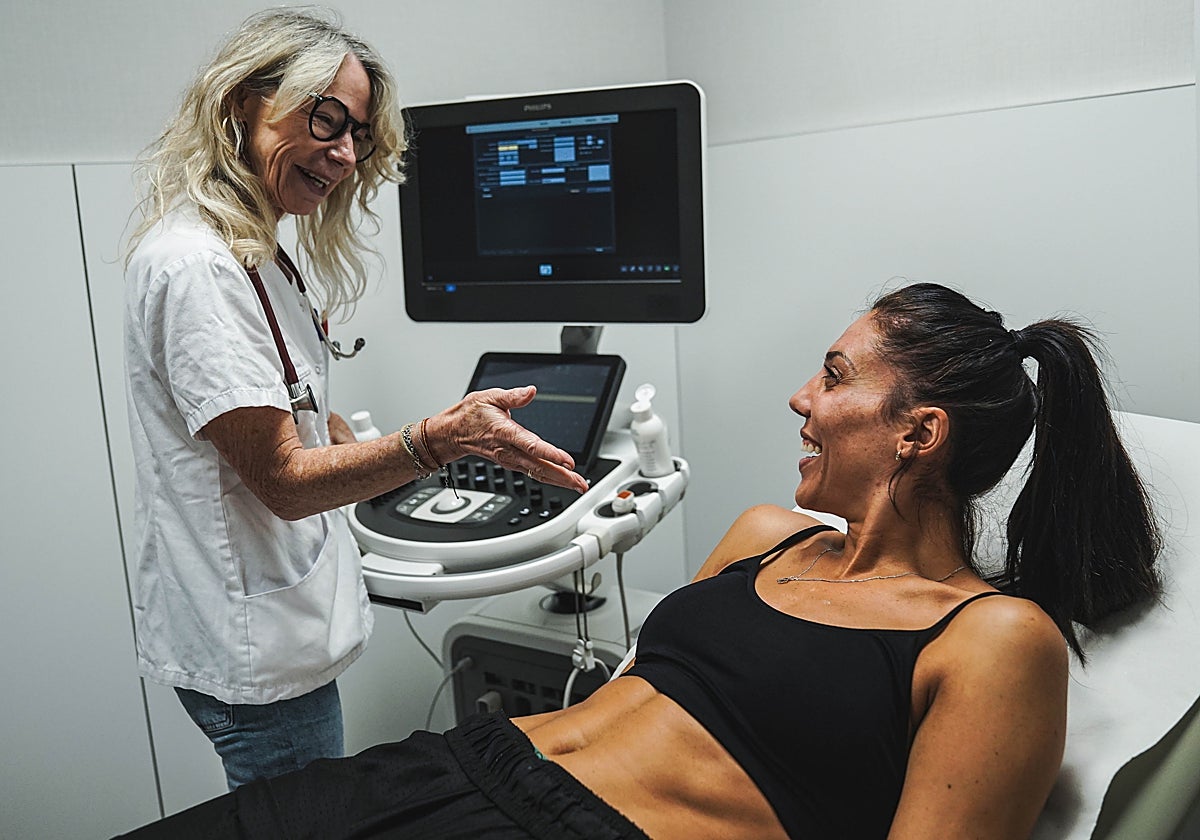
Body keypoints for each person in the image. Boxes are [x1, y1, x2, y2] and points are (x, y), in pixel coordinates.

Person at [119, 282, 1162, 839]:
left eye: (836, 376)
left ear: (918, 434)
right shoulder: (766, 534)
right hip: (454, 767)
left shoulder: (994, 638)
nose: (802, 397)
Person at [123, 7, 589, 791]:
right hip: (258, 652)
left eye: (358, 135)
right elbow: (281, 480)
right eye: (327, 120)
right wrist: (434, 442)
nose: (344, 153)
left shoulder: (258, 253)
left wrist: (345, 437)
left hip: (281, 627)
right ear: (244, 103)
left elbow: (274, 417)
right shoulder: (198, 267)